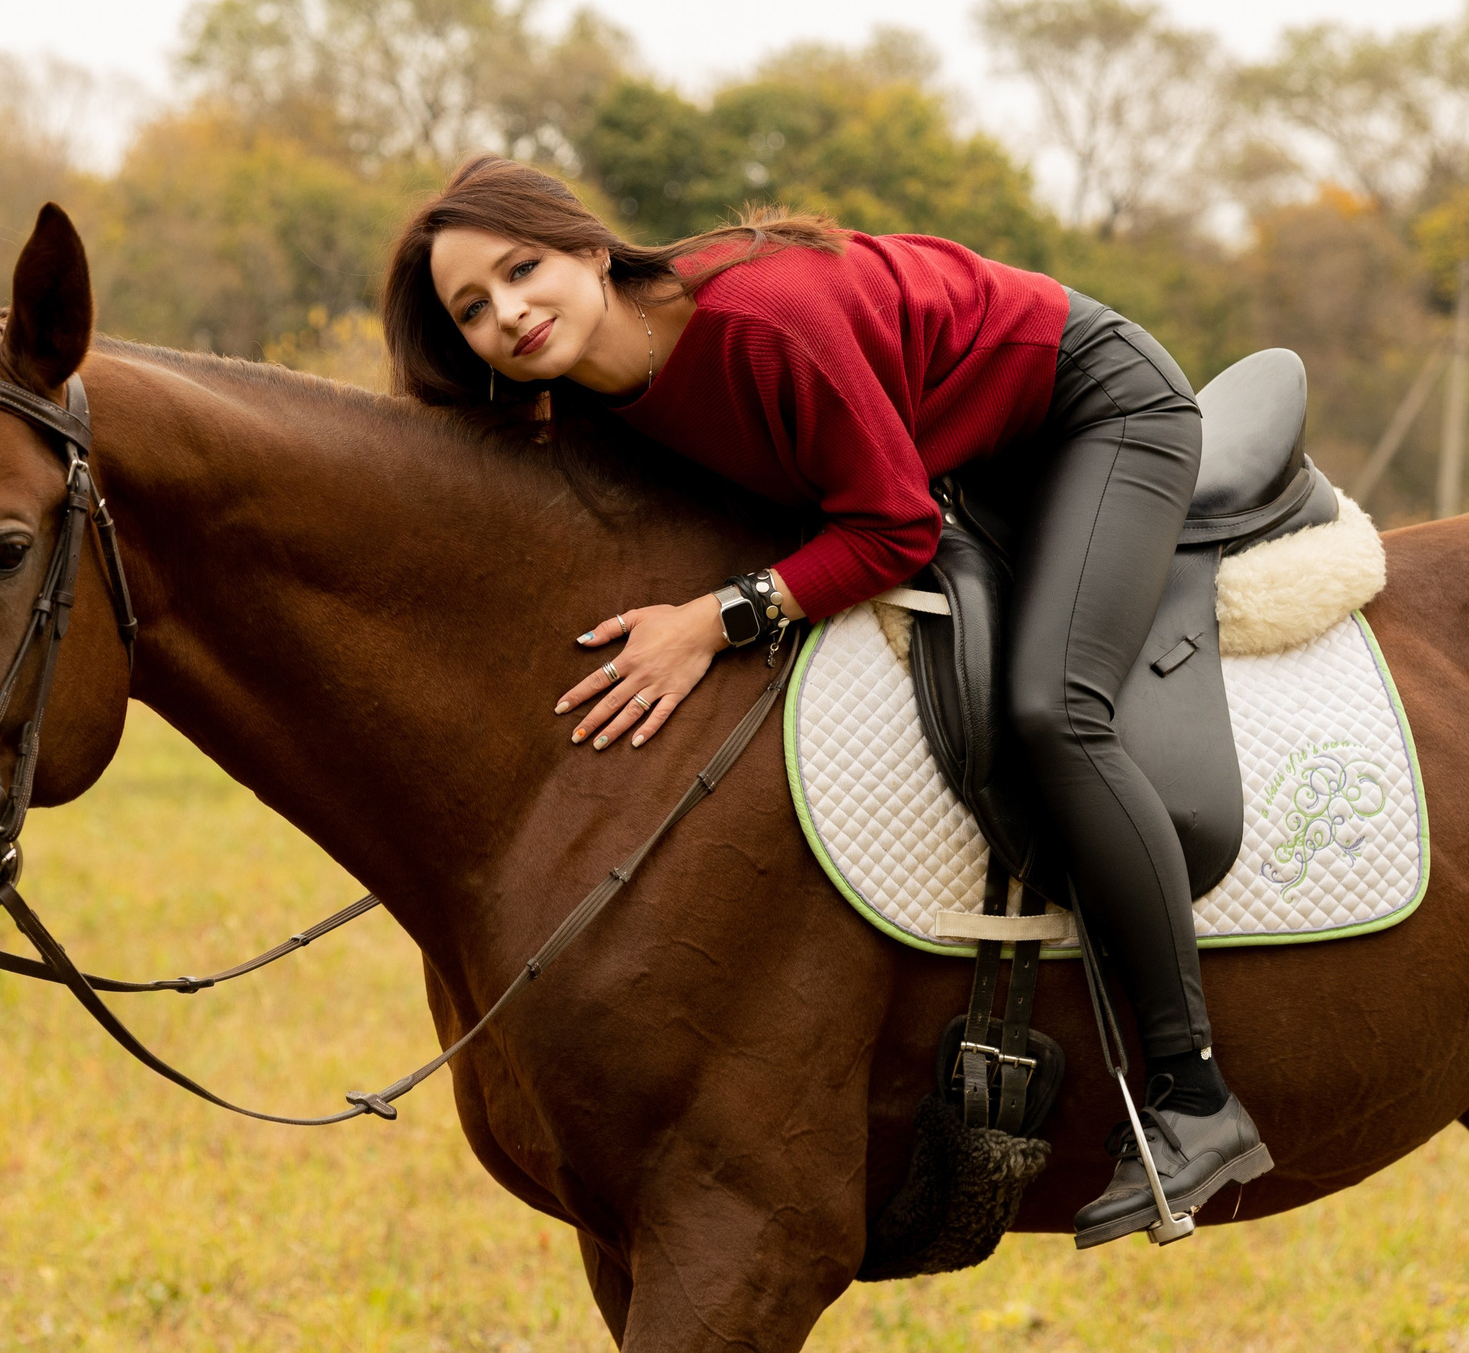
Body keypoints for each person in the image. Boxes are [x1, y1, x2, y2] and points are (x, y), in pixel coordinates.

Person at [381, 155, 1271, 1247]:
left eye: (523, 269)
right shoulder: (585, 395)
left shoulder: (763, 326)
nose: (508, 311)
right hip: (957, 438)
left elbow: (891, 529)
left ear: (588, 248)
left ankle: (1193, 1095)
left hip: (1088, 406)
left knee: (1052, 706)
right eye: (472, 307)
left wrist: (713, 619)